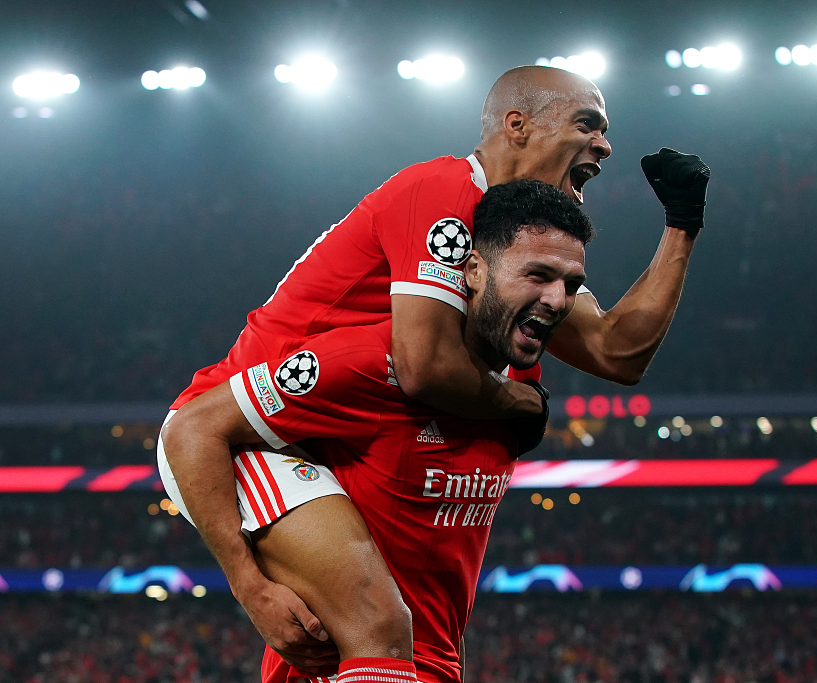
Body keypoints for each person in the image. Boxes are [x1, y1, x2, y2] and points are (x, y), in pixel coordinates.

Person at [160, 64, 710, 674]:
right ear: (518, 126)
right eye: (588, 125)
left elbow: (615, 353)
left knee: (405, 643)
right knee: (380, 624)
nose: (605, 145)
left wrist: (682, 224)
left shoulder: (515, 243)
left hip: (329, 427)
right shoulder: (443, 193)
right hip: (244, 431)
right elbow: (422, 366)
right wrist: (518, 404)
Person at [164, 180, 594, 683]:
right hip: (348, 664)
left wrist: (673, 226)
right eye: (538, 275)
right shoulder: (370, 362)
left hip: (429, 665)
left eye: (571, 285)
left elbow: (623, 356)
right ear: (474, 270)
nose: (556, 300)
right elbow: (192, 427)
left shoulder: (520, 380)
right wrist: (250, 587)